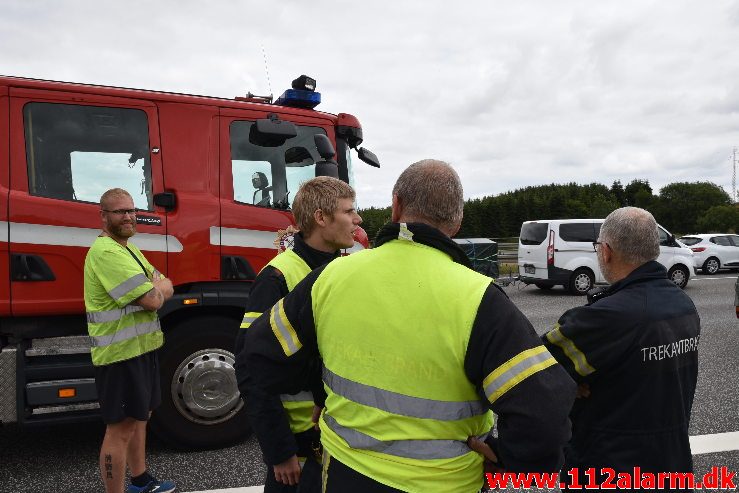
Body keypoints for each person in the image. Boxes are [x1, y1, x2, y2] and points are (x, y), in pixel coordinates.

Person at [242, 159, 575, 493]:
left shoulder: (330, 279)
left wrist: (319, 388)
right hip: (444, 483)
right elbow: (544, 413)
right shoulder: (480, 298)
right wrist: (509, 462)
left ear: (395, 206)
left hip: (343, 474)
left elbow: (256, 357)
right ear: (456, 222)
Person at [542, 207, 700, 490]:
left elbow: (537, 371)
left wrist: (566, 383)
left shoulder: (604, 318)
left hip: (609, 472)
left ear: (606, 251)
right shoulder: (683, 305)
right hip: (672, 469)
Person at [235, 176, 362, 493]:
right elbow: (250, 369)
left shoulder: (346, 270)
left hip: (341, 438)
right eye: (349, 211)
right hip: (299, 445)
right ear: (321, 218)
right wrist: (280, 450)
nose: (358, 220)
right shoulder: (278, 276)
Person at [84, 188, 175, 493]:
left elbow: (165, 285)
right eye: (120, 212)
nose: (128, 217)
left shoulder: (127, 249)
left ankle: (140, 480)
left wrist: (157, 288)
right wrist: (156, 288)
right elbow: (153, 299)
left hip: (141, 349)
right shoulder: (107, 252)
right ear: (104, 216)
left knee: (140, 417)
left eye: (131, 210)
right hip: (119, 355)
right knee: (120, 428)